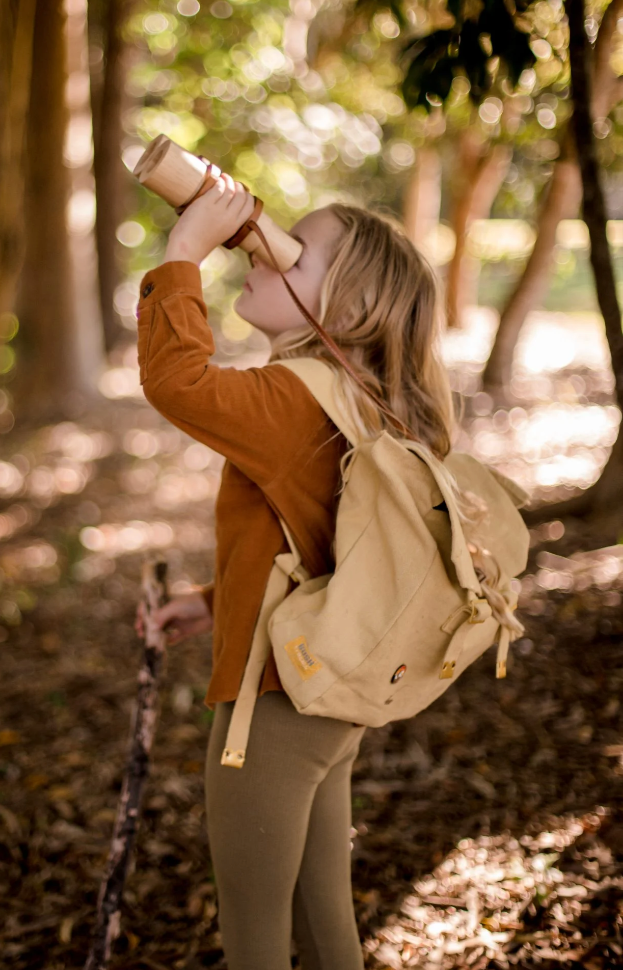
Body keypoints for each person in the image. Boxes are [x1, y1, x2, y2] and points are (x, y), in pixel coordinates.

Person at [133, 172, 455, 970]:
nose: (263, 252)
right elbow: (320, 543)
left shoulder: (292, 396)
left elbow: (175, 382)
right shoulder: (356, 394)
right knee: (322, 923)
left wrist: (183, 253)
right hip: (324, 696)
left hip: (273, 707)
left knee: (255, 938)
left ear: (346, 313)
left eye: (295, 255)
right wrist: (215, 601)